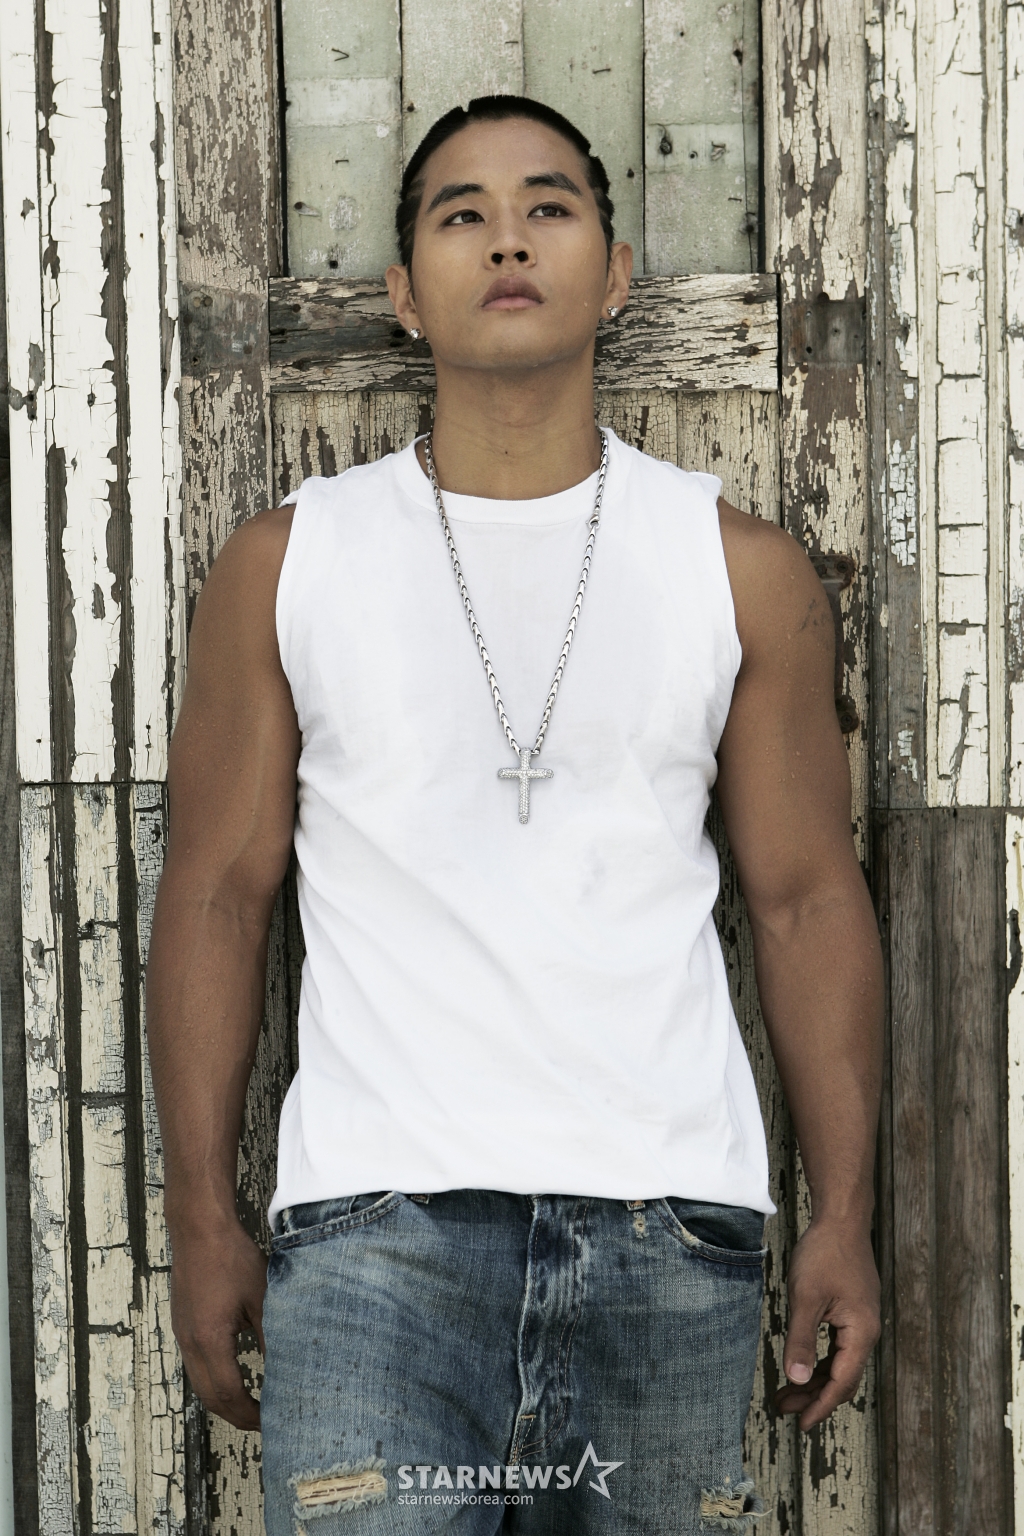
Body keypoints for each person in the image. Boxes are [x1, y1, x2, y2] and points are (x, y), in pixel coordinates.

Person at [147, 95, 883, 1534]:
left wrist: (844, 1213)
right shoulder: (290, 563)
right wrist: (200, 1215)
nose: (507, 240)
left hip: (669, 1233)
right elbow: (217, 895)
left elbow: (805, 899)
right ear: (403, 292)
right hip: (372, 1242)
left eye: (549, 207)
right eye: (461, 213)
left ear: (615, 276)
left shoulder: (736, 568)